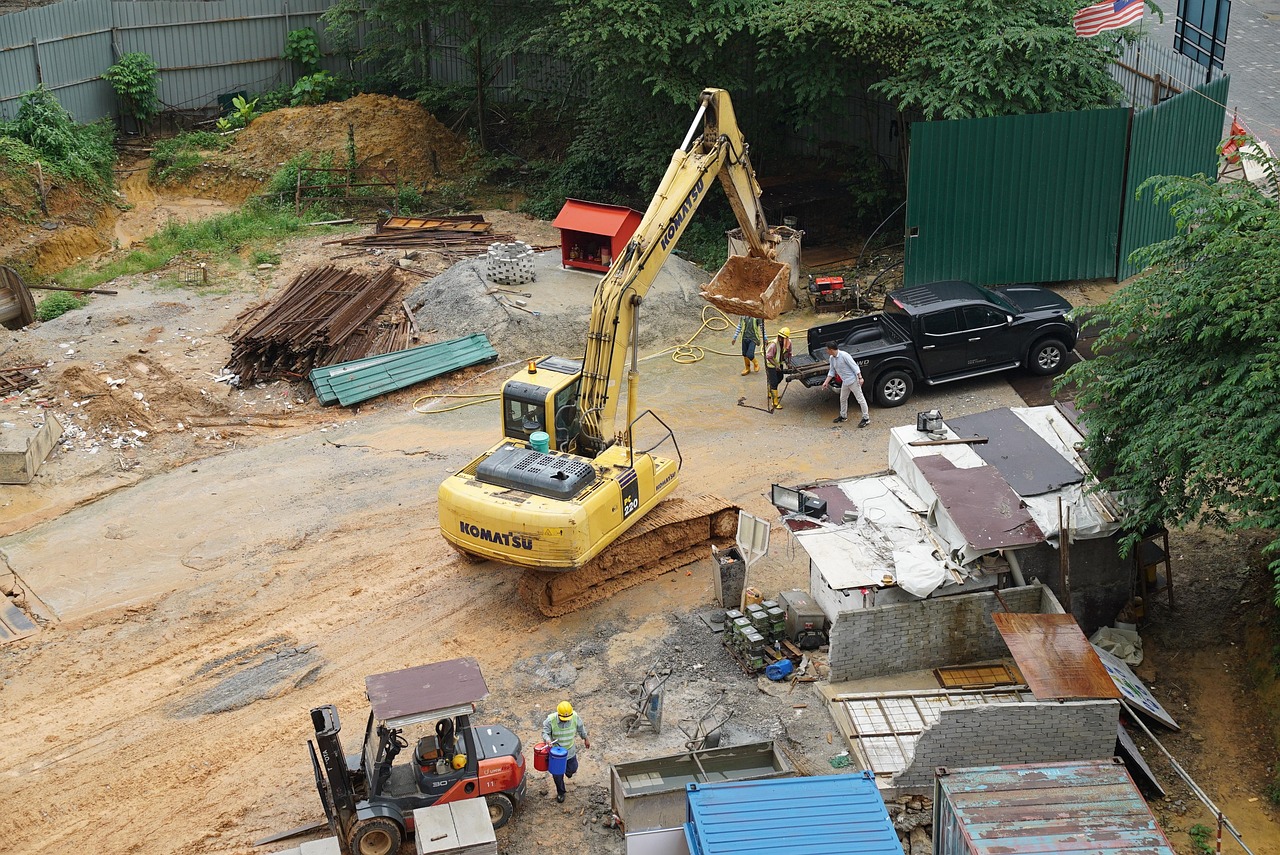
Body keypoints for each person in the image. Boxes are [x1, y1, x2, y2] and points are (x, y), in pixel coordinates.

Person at [542, 700, 590, 803]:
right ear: (558, 714)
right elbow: (545, 732)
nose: (565, 720)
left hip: (570, 751)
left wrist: (585, 738)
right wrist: (548, 739)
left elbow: (581, 728)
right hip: (556, 754)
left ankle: (568, 772)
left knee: (573, 768)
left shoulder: (575, 717)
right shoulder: (550, 720)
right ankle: (561, 792)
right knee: (558, 775)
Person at [820, 341, 870, 427]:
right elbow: (832, 371)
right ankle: (843, 416)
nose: (826, 351)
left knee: (860, 399)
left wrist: (860, 377)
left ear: (831, 350)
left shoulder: (844, 356)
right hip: (845, 382)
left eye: (827, 349)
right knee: (843, 398)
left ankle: (866, 418)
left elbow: (855, 367)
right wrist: (826, 382)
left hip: (853, 381)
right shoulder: (832, 358)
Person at [764, 327, 792, 411]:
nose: (780, 339)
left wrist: (788, 363)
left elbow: (789, 354)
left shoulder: (788, 343)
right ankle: (775, 402)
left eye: (782, 338)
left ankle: (771, 392)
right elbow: (769, 357)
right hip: (771, 365)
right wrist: (776, 365)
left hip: (780, 363)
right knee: (774, 382)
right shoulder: (773, 345)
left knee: (780, 377)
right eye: (779, 337)